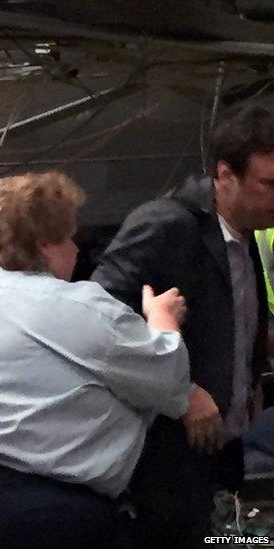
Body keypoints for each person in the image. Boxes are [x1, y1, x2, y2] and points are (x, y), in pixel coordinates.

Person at [0, 172, 190, 548]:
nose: (77, 249)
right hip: (28, 520)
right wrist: (162, 320)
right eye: (70, 237)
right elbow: (170, 385)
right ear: (45, 244)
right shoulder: (80, 306)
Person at [91, 100, 274, 547]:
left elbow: (236, 310)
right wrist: (181, 390)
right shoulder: (168, 224)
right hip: (167, 459)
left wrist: (248, 381)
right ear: (224, 175)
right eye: (269, 184)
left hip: (220, 448)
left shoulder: (244, 227)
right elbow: (96, 315)